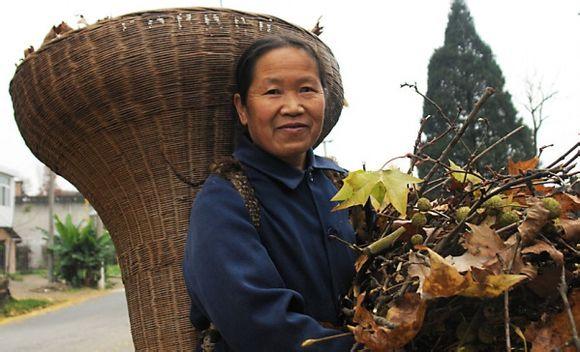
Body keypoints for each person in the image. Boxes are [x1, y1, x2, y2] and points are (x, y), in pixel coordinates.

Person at [183, 35, 358, 351]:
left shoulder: (343, 186)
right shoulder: (224, 200)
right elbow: (257, 325)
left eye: (306, 89)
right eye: (273, 92)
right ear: (243, 108)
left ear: (324, 97)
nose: (293, 107)